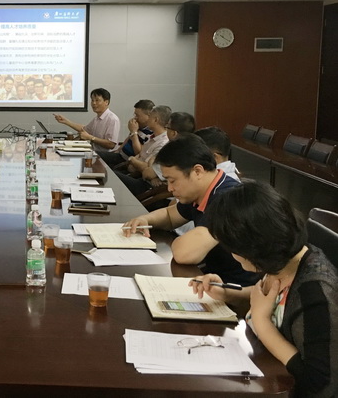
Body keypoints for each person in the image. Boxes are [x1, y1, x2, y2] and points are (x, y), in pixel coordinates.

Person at [190, 181, 338, 396]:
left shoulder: (315, 293)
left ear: (253, 247)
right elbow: (270, 299)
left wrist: (262, 323)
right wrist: (228, 293)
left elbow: (321, 386)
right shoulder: (282, 260)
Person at [123, 134, 259, 286]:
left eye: (172, 181)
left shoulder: (227, 199)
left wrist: (178, 242)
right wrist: (145, 219)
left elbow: (184, 254)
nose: (170, 188)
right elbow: (170, 216)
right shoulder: (203, 190)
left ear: (197, 171)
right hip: (210, 278)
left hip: (237, 290)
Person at [114, 105, 171, 195]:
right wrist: (136, 161)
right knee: (108, 172)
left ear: (156, 120)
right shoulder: (152, 137)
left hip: (145, 183)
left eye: (150, 116)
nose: (148, 119)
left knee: (112, 176)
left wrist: (132, 159)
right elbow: (141, 155)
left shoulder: (163, 143)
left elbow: (146, 168)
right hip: (135, 173)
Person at [54, 88, 121, 155]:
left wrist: (91, 138)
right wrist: (66, 121)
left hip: (106, 156)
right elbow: (85, 129)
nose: (94, 103)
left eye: (97, 100)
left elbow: (111, 144)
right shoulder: (96, 119)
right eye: (92, 100)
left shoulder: (112, 119)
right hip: (94, 153)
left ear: (106, 102)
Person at [99, 99, 155, 166]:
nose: (135, 118)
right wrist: (118, 150)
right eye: (135, 114)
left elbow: (138, 153)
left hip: (127, 161)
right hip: (120, 155)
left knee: (98, 157)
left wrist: (134, 132)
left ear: (149, 116)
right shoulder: (139, 126)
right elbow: (128, 139)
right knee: (95, 155)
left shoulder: (151, 133)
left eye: (138, 115)